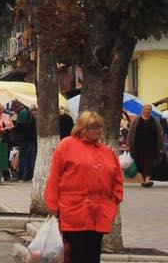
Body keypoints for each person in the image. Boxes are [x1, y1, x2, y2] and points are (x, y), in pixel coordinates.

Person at [46, 111, 123, 263]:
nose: (98, 131)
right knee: (75, 255)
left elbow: (117, 178)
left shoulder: (107, 152)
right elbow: (54, 177)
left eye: (99, 127)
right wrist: (52, 206)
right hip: (73, 212)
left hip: (99, 213)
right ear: (82, 128)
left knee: (93, 256)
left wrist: (114, 200)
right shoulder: (67, 146)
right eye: (93, 127)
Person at [128, 104, 165, 188]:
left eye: (149, 110)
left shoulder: (155, 121)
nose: (147, 111)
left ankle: (147, 180)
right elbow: (131, 132)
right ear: (142, 110)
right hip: (138, 146)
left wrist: (161, 147)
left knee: (149, 163)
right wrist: (128, 144)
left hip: (151, 147)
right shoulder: (136, 120)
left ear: (151, 111)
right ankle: (144, 178)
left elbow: (160, 134)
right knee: (140, 163)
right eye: (146, 109)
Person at [11, 99, 37, 181]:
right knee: (30, 157)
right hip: (31, 138)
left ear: (17, 107)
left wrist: (12, 128)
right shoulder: (26, 110)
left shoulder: (23, 112)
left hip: (26, 138)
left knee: (23, 157)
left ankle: (21, 176)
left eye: (14, 109)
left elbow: (21, 126)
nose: (14, 112)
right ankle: (29, 176)